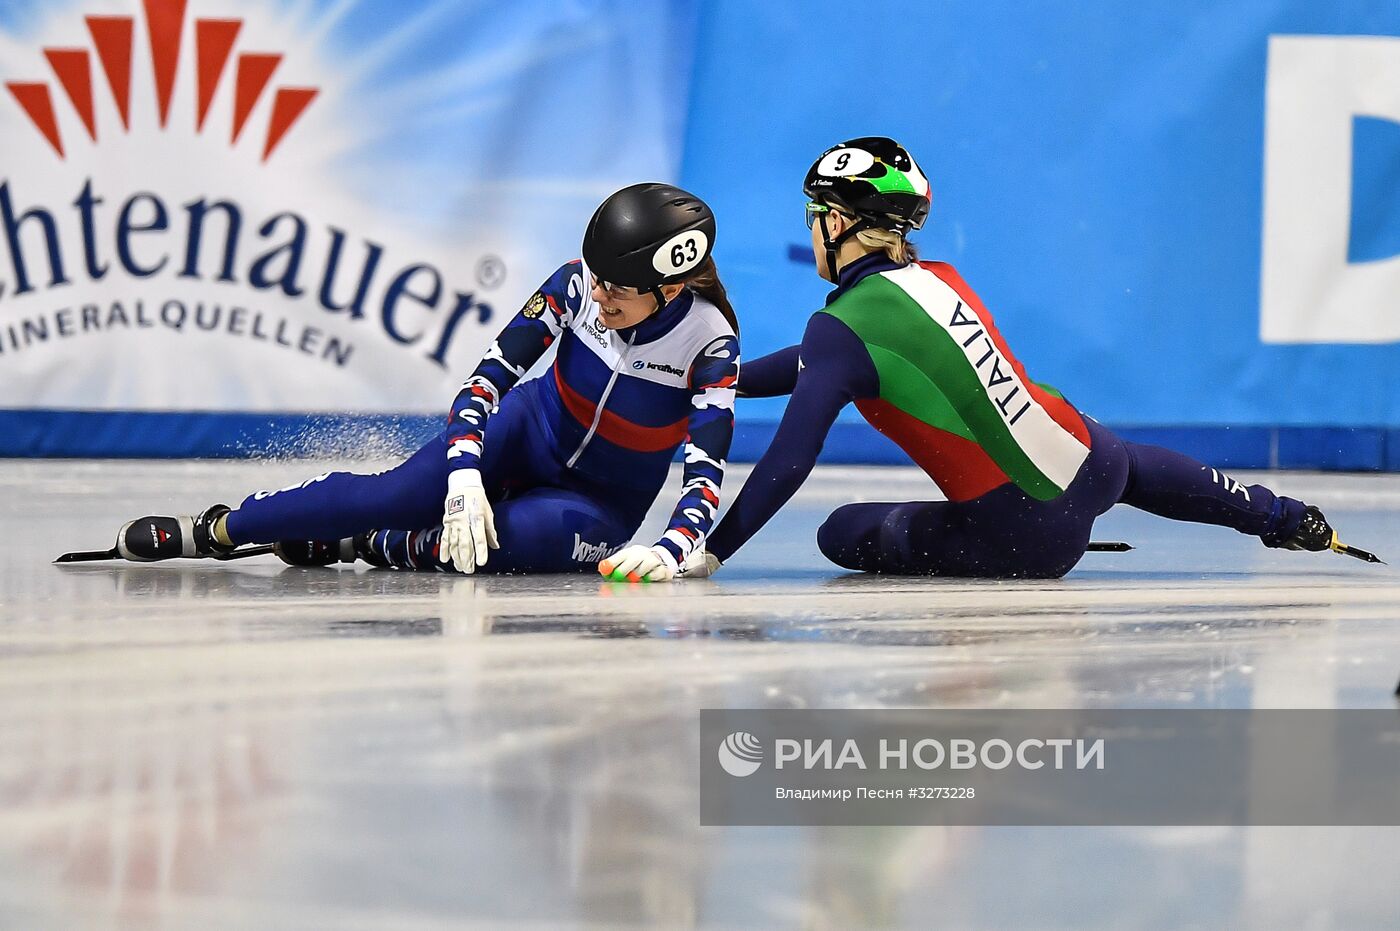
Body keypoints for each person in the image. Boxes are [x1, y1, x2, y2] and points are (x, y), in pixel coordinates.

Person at [660, 136, 1352, 580]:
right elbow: (821, 362)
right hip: (1096, 460)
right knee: (1124, 459)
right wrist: (724, 380)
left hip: (1028, 533)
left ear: (836, 223)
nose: (811, 232)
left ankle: (997, 523)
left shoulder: (837, 329)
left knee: (840, 531)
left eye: (812, 216)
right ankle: (1283, 518)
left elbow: (789, 457)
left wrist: (711, 548)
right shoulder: (940, 278)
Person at [108, 183, 741, 577]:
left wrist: (674, 544)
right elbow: (487, 380)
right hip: (532, 428)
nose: (598, 297)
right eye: (595, 280)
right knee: (393, 492)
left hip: (603, 500)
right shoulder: (576, 283)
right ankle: (220, 529)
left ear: (672, 286)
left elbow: (706, 468)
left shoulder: (709, 341)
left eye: (618, 291)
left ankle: (373, 545)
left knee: (491, 548)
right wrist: (464, 470)